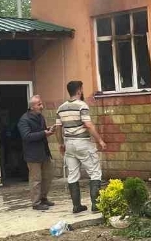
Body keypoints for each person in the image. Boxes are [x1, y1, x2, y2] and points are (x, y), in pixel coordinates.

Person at [55, 80, 107, 214]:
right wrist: (100, 140)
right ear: (79, 91)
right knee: (95, 172)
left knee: (72, 174)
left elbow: (58, 128)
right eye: (82, 89)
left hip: (69, 144)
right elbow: (88, 125)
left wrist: (61, 144)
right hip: (83, 143)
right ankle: (96, 205)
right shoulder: (82, 105)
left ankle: (76, 206)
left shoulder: (60, 108)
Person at [17, 95, 55, 211]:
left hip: (44, 152)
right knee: (36, 179)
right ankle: (36, 202)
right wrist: (44, 133)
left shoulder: (40, 117)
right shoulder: (24, 120)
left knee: (47, 177)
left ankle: (43, 198)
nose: (42, 106)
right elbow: (26, 136)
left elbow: (40, 131)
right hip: (33, 155)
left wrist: (48, 130)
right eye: (39, 104)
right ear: (32, 107)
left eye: (41, 104)